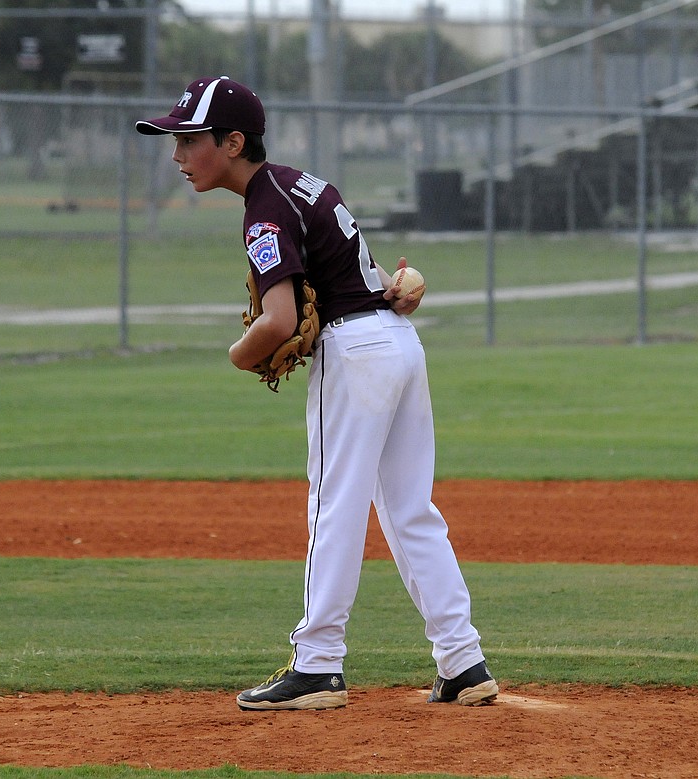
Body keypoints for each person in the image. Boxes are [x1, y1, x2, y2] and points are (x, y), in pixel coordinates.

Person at [135, 75, 498, 711]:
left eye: (189, 140)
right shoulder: (304, 184)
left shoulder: (264, 208)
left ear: (233, 142)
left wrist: (238, 354)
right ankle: (463, 661)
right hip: (397, 345)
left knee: (334, 506)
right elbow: (383, 282)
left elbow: (279, 321)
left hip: (355, 354)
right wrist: (402, 288)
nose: (177, 154)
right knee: (410, 510)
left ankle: (317, 664)